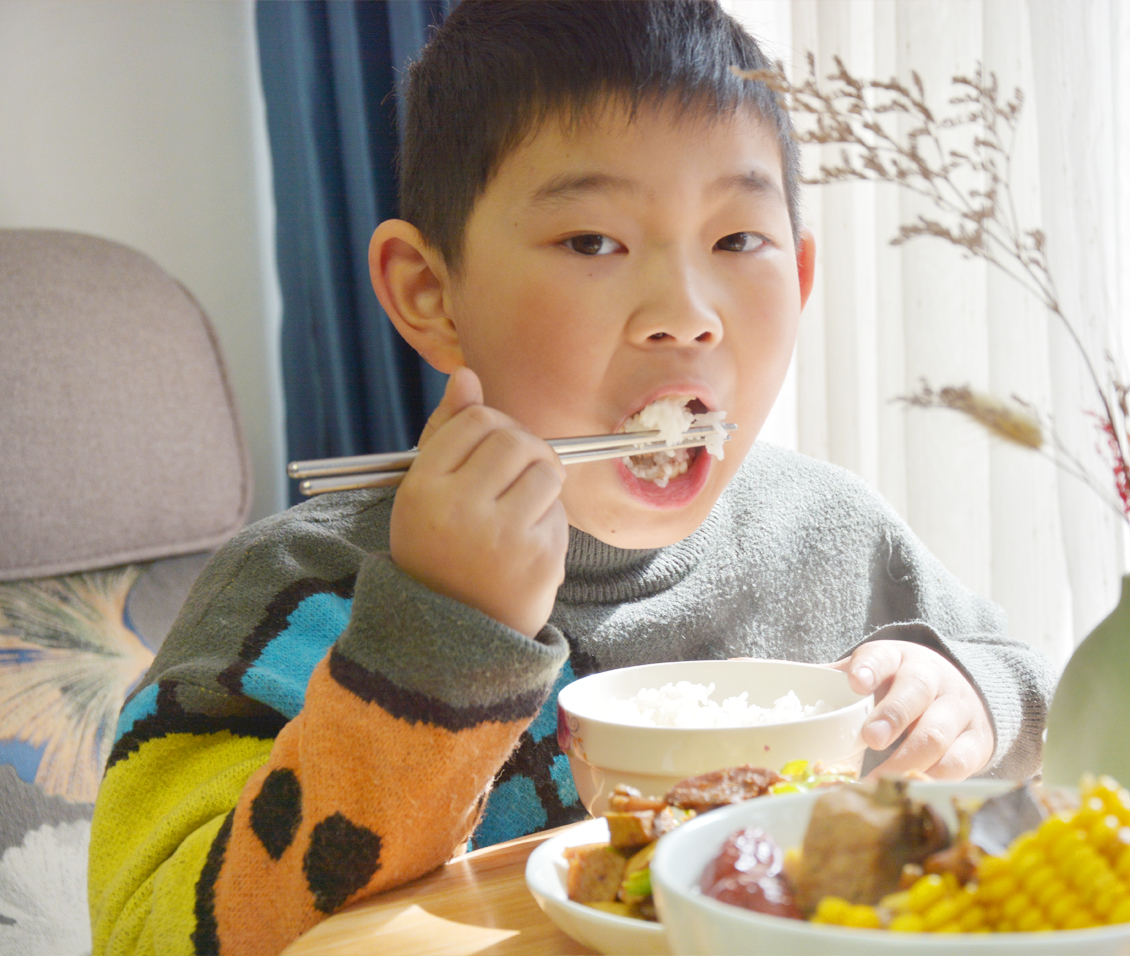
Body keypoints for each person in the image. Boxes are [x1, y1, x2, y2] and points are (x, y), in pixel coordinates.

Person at [88, 3, 1054, 954]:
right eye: (593, 242)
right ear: (431, 293)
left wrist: (971, 697)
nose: (687, 314)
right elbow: (154, 933)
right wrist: (442, 634)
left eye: (736, 242)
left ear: (799, 280)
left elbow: (1026, 691)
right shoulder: (292, 591)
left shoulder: (831, 531)